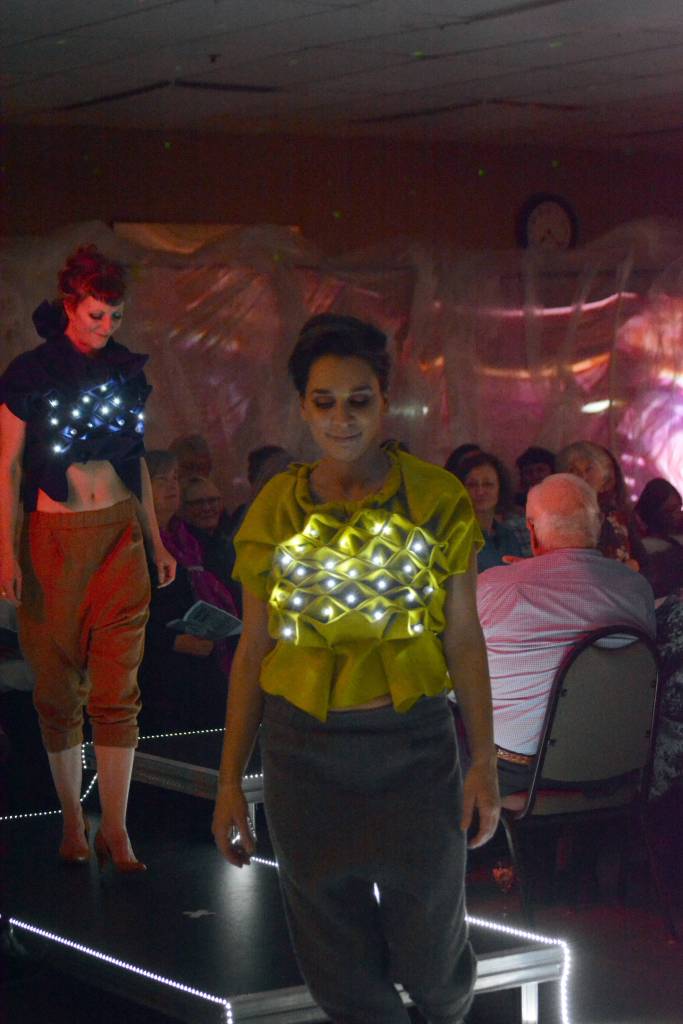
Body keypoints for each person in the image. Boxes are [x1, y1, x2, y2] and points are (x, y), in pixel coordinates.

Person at [212, 313, 499, 1024]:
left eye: (358, 399)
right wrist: (226, 783)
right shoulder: (276, 507)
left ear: (384, 398)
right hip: (303, 757)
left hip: (413, 750)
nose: (341, 418)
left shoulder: (436, 498)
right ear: (303, 405)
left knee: (435, 966)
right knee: (338, 977)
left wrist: (484, 758)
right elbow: (254, 650)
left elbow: (463, 635)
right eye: (323, 401)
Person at [0, 245, 175, 871]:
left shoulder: (126, 371)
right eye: (97, 315)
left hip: (120, 532)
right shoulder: (30, 373)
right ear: (71, 305)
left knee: (117, 686)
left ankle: (117, 829)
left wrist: (156, 540)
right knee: (55, 684)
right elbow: (9, 466)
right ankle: (74, 823)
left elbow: (137, 460)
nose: (106, 328)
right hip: (52, 536)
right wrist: (6, 552)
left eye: (115, 317)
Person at [476, 474, 656, 796]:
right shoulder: (636, 588)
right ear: (598, 525)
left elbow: (455, 683)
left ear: (531, 530)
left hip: (521, 774)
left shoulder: (494, 588)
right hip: (620, 766)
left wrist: (514, 579)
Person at [139, 451, 238, 733]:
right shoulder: (135, 542)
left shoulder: (191, 537)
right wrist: (173, 640)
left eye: (174, 479)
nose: (172, 486)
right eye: (161, 480)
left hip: (205, 665)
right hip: (160, 675)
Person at [557, 440, 645, 569]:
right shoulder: (564, 518)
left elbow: (643, 561)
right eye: (572, 470)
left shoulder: (618, 515)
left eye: (589, 469)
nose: (582, 476)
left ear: (604, 475)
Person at [454, 451, 523, 571]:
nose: (480, 491)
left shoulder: (509, 537)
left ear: (500, 489)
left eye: (488, 484)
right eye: (472, 485)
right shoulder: (457, 538)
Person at [634, 478, 683, 599]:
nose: (678, 514)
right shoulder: (641, 545)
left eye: (679, 508)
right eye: (670, 510)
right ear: (655, 512)